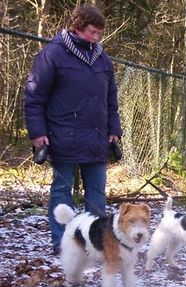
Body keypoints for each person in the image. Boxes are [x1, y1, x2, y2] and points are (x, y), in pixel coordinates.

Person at [24, 5, 122, 254]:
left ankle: (95, 242)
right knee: (61, 191)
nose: (96, 37)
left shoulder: (103, 60)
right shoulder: (52, 55)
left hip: (97, 139)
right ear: (77, 27)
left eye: (99, 33)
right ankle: (62, 242)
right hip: (62, 136)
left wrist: (114, 129)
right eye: (92, 32)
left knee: (97, 194)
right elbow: (34, 97)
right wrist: (37, 133)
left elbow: (111, 100)